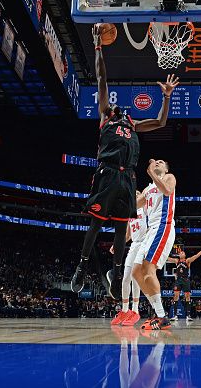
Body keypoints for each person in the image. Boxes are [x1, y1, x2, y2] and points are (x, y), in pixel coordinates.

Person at [71, 24, 179, 299]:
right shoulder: (106, 115)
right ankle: (82, 266)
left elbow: (162, 121)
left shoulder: (133, 125)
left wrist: (166, 97)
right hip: (106, 173)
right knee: (95, 223)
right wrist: (98, 48)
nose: (123, 110)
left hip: (127, 177)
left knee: (121, 227)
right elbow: (101, 79)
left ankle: (117, 272)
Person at [132, 159, 177, 330]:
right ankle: (159, 314)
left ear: (166, 169)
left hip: (163, 226)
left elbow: (167, 191)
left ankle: (161, 317)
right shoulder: (147, 189)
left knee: (148, 269)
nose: (157, 163)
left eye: (160, 162)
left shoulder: (169, 178)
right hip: (151, 230)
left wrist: (150, 171)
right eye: (155, 162)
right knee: (136, 272)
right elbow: (134, 206)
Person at [110, 193, 146, 326]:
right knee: (126, 278)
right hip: (134, 244)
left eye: (138, 193)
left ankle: (135, 310)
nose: (135, 195)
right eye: (134, 194)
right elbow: (128, 235)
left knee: (136, 276)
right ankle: (125, 310)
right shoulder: (130, 213)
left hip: (144, 244)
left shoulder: (146, 208)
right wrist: (117, 245)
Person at [167, 244, 201, 322]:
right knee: (175, 296)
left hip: (185, 280)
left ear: (185, 255)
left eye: (182, 252)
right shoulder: (176, 261)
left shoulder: (188, 260)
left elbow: (196, 256)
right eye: (180, 253)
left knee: (187, 297)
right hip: (178, 280)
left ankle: (188, 316)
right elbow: (167, 258)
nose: (181, 253)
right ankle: (175, 316)